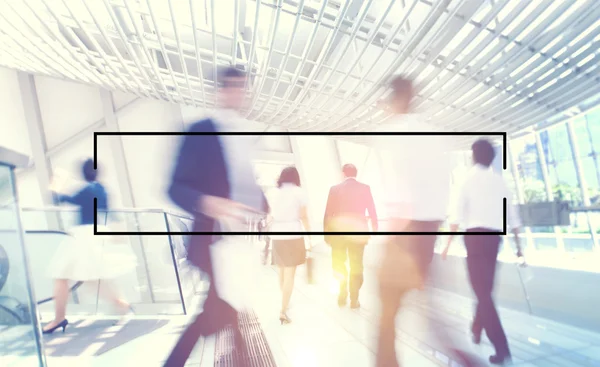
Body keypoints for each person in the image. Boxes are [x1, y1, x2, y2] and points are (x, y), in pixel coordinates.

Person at [164, 67, 268, 367]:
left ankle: (240, 357)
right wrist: (207, 202)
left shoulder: (244, 133)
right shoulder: (201, 130)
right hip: (212, 240)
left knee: (228, 307)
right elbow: (175, 187)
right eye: (233, 86)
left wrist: (262, 205)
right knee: (219, 308)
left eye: (243, 87)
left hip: (239, 240)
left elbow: (244, 185)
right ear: (220, 90)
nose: (239, 92)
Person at [373, 76, 480, 367]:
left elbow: (398, 190)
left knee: (387, 313)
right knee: (430, 315)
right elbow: (444, 186)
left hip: (405, 233)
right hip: (428, 231)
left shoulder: (394, 131)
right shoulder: (432, 133)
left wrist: (390, 238)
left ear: (395, 99)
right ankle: (467, 361)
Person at [443, 138, 523, 365]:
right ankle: (477, 327)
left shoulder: (466, 181)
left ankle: (501, 347)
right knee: (485, 290)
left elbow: (456, 217)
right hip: (493, 241)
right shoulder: (501, 182)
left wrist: (447, 245)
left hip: (475, 240)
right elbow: (514, 218)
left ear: (473, 156)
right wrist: (520, 248)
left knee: (483, 294)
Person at [43, 159, 134, 334]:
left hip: (83, 235)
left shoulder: (87, 189)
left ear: (82, 172)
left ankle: (59, 318)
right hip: (98, 233)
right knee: (93, 279)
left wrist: (57, 180)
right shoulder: (102, 189)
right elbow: (109, 212)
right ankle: (124, 305)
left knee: (60, 274)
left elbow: (57, 199)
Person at [324, 163, 378, 308]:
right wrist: (374, 228)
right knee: (356, 265)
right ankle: (354, 299)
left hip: (338, 233)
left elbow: (328, 213)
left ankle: (342, 294)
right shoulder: (365, 188)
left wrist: (326, 234)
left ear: (343, 173)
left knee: (339, 263)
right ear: (356, 173)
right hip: (359, 233)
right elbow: (372, 210)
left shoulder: (334, 189)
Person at [267, 166, 310, 324]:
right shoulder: (299, 192)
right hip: (293, 233)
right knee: (290, 274)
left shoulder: (273, 193)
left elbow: (270, 213)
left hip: (277, 234)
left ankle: (285, 301)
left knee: (282, 271)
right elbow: (303, 216)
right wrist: (310, 234)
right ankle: (283, 311)